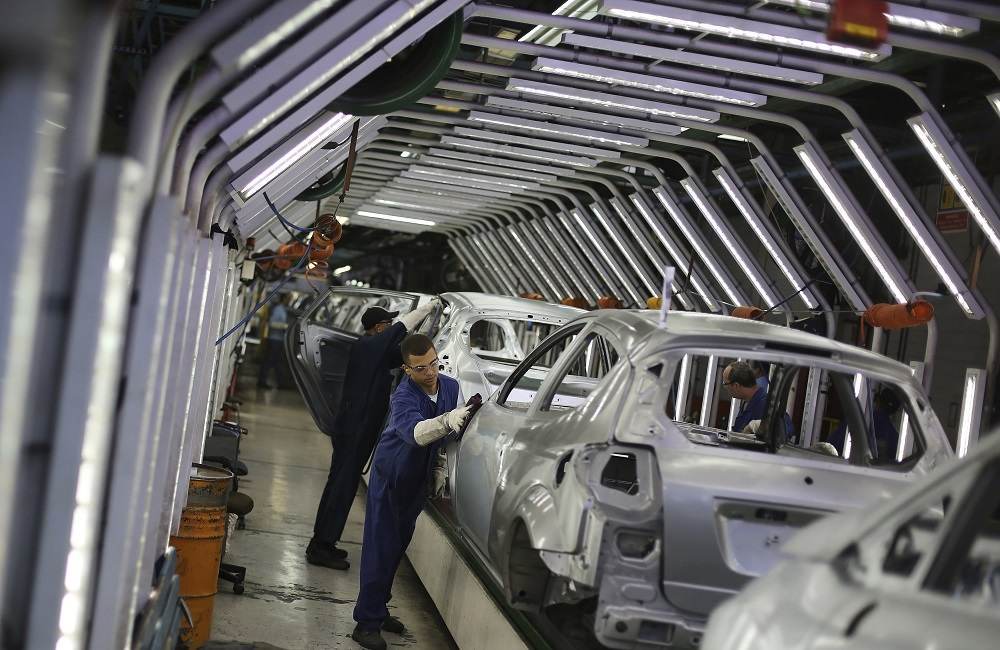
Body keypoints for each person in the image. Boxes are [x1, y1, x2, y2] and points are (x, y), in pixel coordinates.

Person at [351, 334, 472, 650]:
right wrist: (447, 420)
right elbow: (418, 434)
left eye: (433, 363)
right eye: (420, 368)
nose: (429, 372)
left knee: (396, 547)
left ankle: (379, 608)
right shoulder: (403, 396)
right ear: (407, 370)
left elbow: (447, 439)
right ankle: (365, 623)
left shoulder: (451, 386)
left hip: (416, 480)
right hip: (391, 477)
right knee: (381, 548)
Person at [306, 299, 438, 570]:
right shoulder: (366, 347)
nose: (390, 329)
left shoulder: (377, 352)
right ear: (379, 329)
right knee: (341, 486)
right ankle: (320, 546)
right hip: (354, 429)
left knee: (342, 484)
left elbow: (402, 352)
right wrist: (420, 311)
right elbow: (397, 332)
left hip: (357, 430)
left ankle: (324, 542)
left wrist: (428, 327)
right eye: (387, 325)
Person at [827, 387, 902, 460]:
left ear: (878, 401)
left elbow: (833, 443)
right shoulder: (892, 435)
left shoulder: (859, 417)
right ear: (895, 410)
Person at [722, 361, 792, 436]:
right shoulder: (747, 402)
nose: (725, 387)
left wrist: (756, 425)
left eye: (725, 384)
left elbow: (787, 429)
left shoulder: (765, 403)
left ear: (736, 385)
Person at [257, 293, 290, 389]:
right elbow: (271, 323)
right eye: (288, 298)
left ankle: (281, 383)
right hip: (274, 339)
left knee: (277, 362)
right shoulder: (278, 309)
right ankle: (262, 381)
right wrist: (285, 326)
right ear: (283, 299)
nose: (289, 301)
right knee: (270, 361)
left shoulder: (283, 309)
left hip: (279, 339)